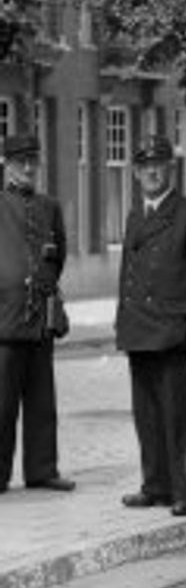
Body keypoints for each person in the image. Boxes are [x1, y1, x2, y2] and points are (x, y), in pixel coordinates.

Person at [115, 135, 186, 517]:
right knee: (147, 414)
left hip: (175, 332)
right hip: (140, 330)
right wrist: (122, 322)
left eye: (158, 165)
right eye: (145, 167)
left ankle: (185, 489)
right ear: (137, 173)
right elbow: (128, 275)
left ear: (169, 169)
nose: (152, 172)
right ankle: (154, 485)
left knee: (179, 415)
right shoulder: (135, 216)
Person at [0, 133, 75, 494]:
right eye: (20, 161)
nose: (28, 167)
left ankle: (42, 469)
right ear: (7, 163)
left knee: (42, 401)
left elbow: (58, 254)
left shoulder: (50, 206)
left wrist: (43, 288)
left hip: (39, 317)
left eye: (33, 160)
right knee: (1, 403)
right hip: (4, 317)